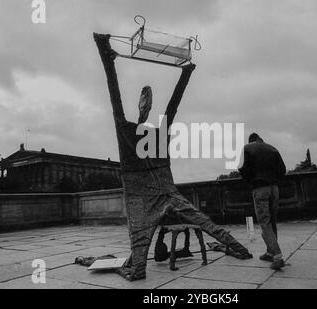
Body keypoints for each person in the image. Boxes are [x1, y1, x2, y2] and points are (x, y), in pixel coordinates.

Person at [93, 33, 252, 281]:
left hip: (139, 194)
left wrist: (107, 55)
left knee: (138, 254)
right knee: (207, 223)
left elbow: (115, 97)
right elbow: (172, 105)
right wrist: (186, 73)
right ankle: (240, 250)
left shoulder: (125, 130)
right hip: (166, 188)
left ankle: (132, 267)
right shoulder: (158, 133)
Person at [238, 133, 287, 270]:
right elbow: (282, 170)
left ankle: (277, 256)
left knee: (264, 222)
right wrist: (274, 181)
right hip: (275, 188)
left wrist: (251, 181)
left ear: (250, 140)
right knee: (272, 221)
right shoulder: (272, 148)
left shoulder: (247, 148)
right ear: (261, 139)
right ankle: (270, 252)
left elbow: (242, 168)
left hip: (260, 188)